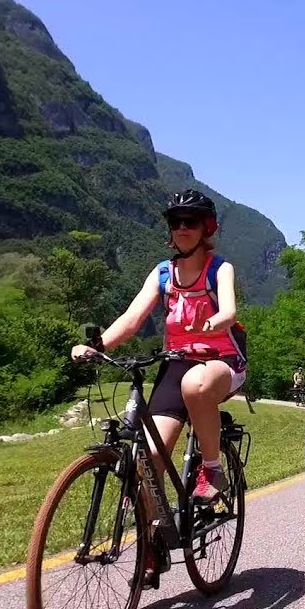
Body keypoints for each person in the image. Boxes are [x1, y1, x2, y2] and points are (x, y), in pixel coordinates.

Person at [70, 188, 245, 505]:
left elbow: (230, 311)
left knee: (196, 384)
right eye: (175, 221)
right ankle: (154, 546)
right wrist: (97, 346)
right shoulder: (163, 272)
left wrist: (215, 322)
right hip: (176, 364)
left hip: (222, 361)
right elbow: (131, 318)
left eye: (190, 221)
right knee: (147, 458)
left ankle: (212, 469)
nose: (181, 228)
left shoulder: (220, 269)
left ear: (206, 228)